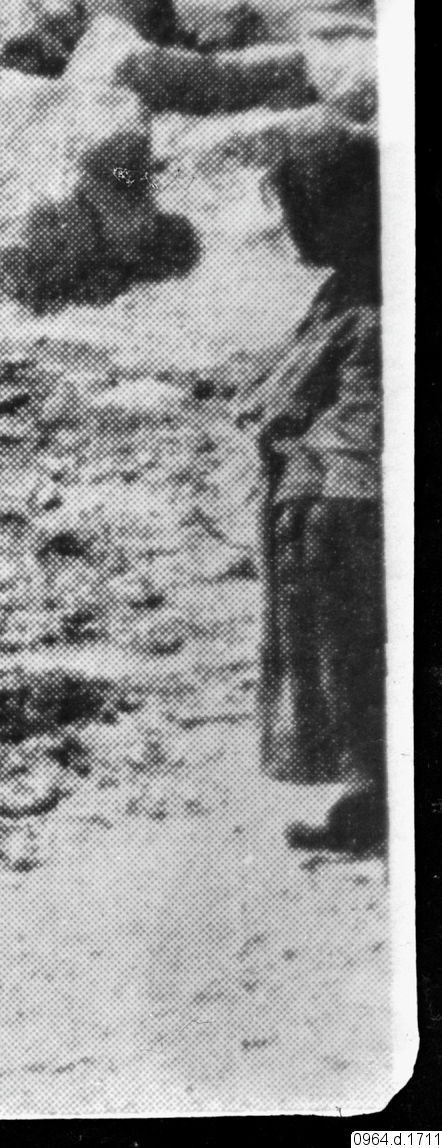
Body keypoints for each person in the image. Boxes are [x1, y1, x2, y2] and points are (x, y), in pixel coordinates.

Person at [249, 112, 386, 856]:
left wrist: (321, 496)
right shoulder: (346, 289)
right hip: (324, 500)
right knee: (345, 657)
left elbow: (365, 422)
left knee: (354, 651)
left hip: (344, 509)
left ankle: (377, 796)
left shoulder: (374, 304)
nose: (293, 229)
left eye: (302, 210)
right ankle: (371, 789)